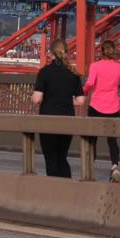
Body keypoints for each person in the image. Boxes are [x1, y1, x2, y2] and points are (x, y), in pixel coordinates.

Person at [83, 39, 120, 183]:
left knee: (92, 140)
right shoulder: (118, 67)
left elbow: (90, 83)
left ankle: (89, 168)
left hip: (96, 107)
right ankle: (115, 166)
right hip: (113, 108)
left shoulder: (95, 66)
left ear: (101, 52)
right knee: (112, 141)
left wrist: (85, 91)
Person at [32, 39, 85, 178]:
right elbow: (80, 101)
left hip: (48, 119)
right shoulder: (73, 73)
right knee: (62, 157)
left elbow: (37, 98)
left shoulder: (45, 72)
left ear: (51, 54)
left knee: (51, 158)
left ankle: (55, 191)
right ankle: (67, 188)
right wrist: (66, 101)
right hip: (67, 119)